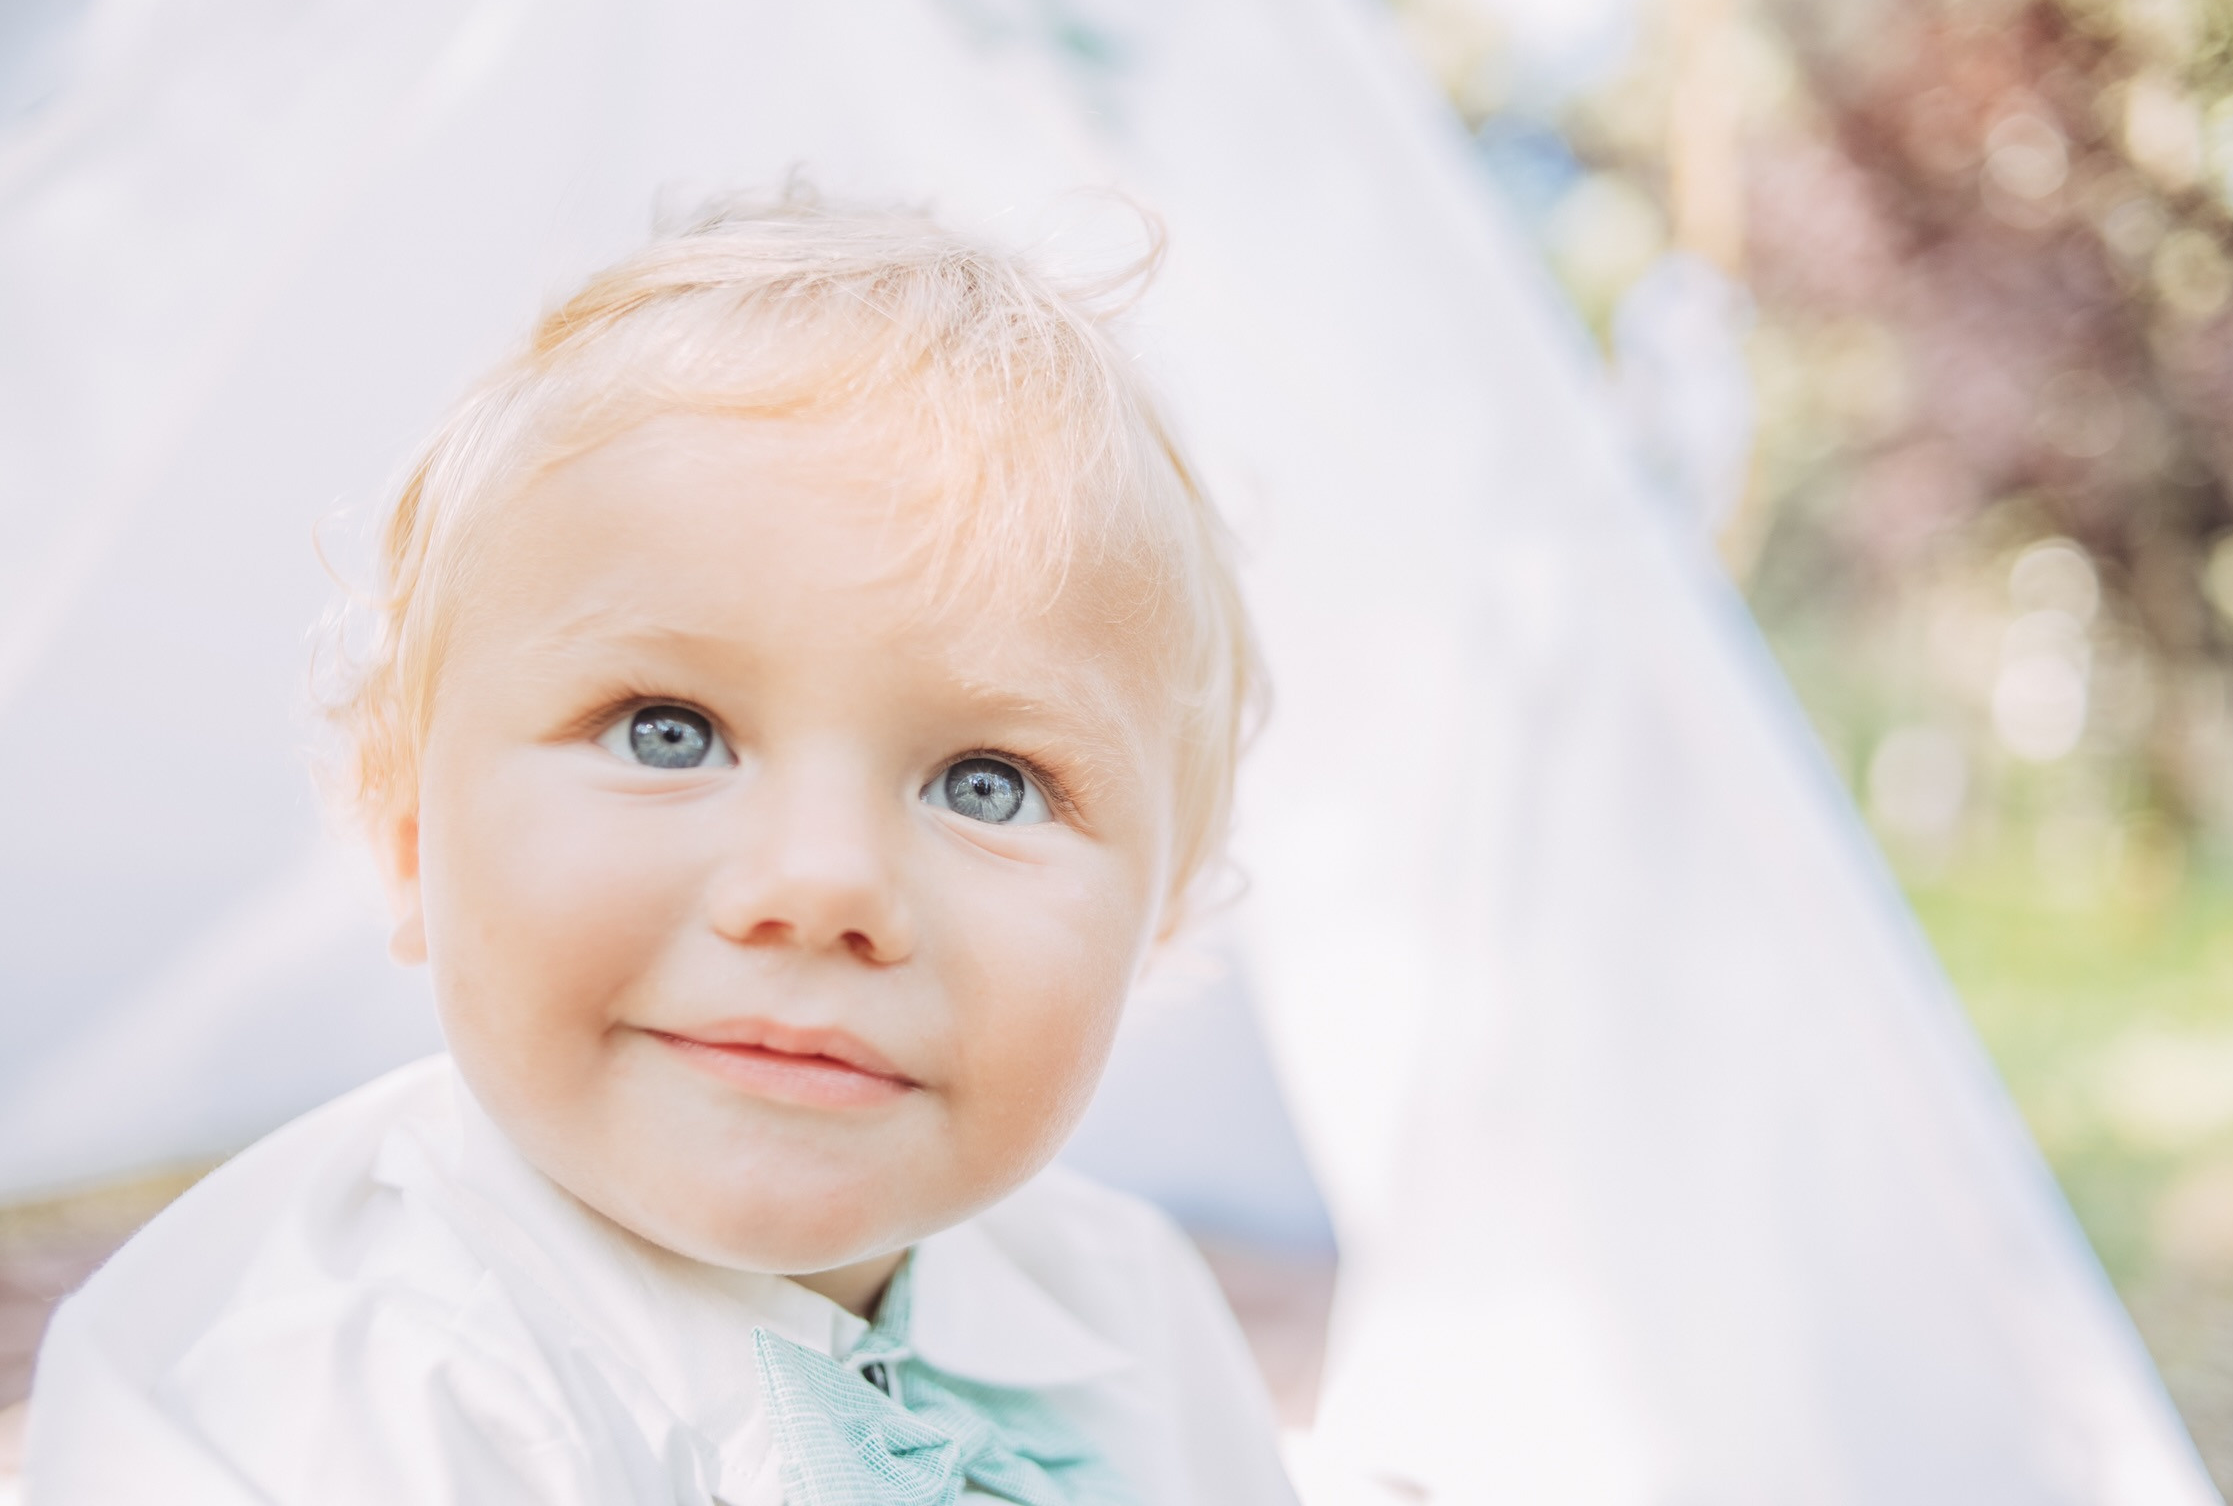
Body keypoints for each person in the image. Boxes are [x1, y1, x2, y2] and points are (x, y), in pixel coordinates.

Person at [23, 199, 1293, 1506]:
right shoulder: (340, 1389)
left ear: (1163, 918)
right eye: (669, 734)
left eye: (991, 784)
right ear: (409, 834)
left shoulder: (1123, 1300)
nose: (823, 883)